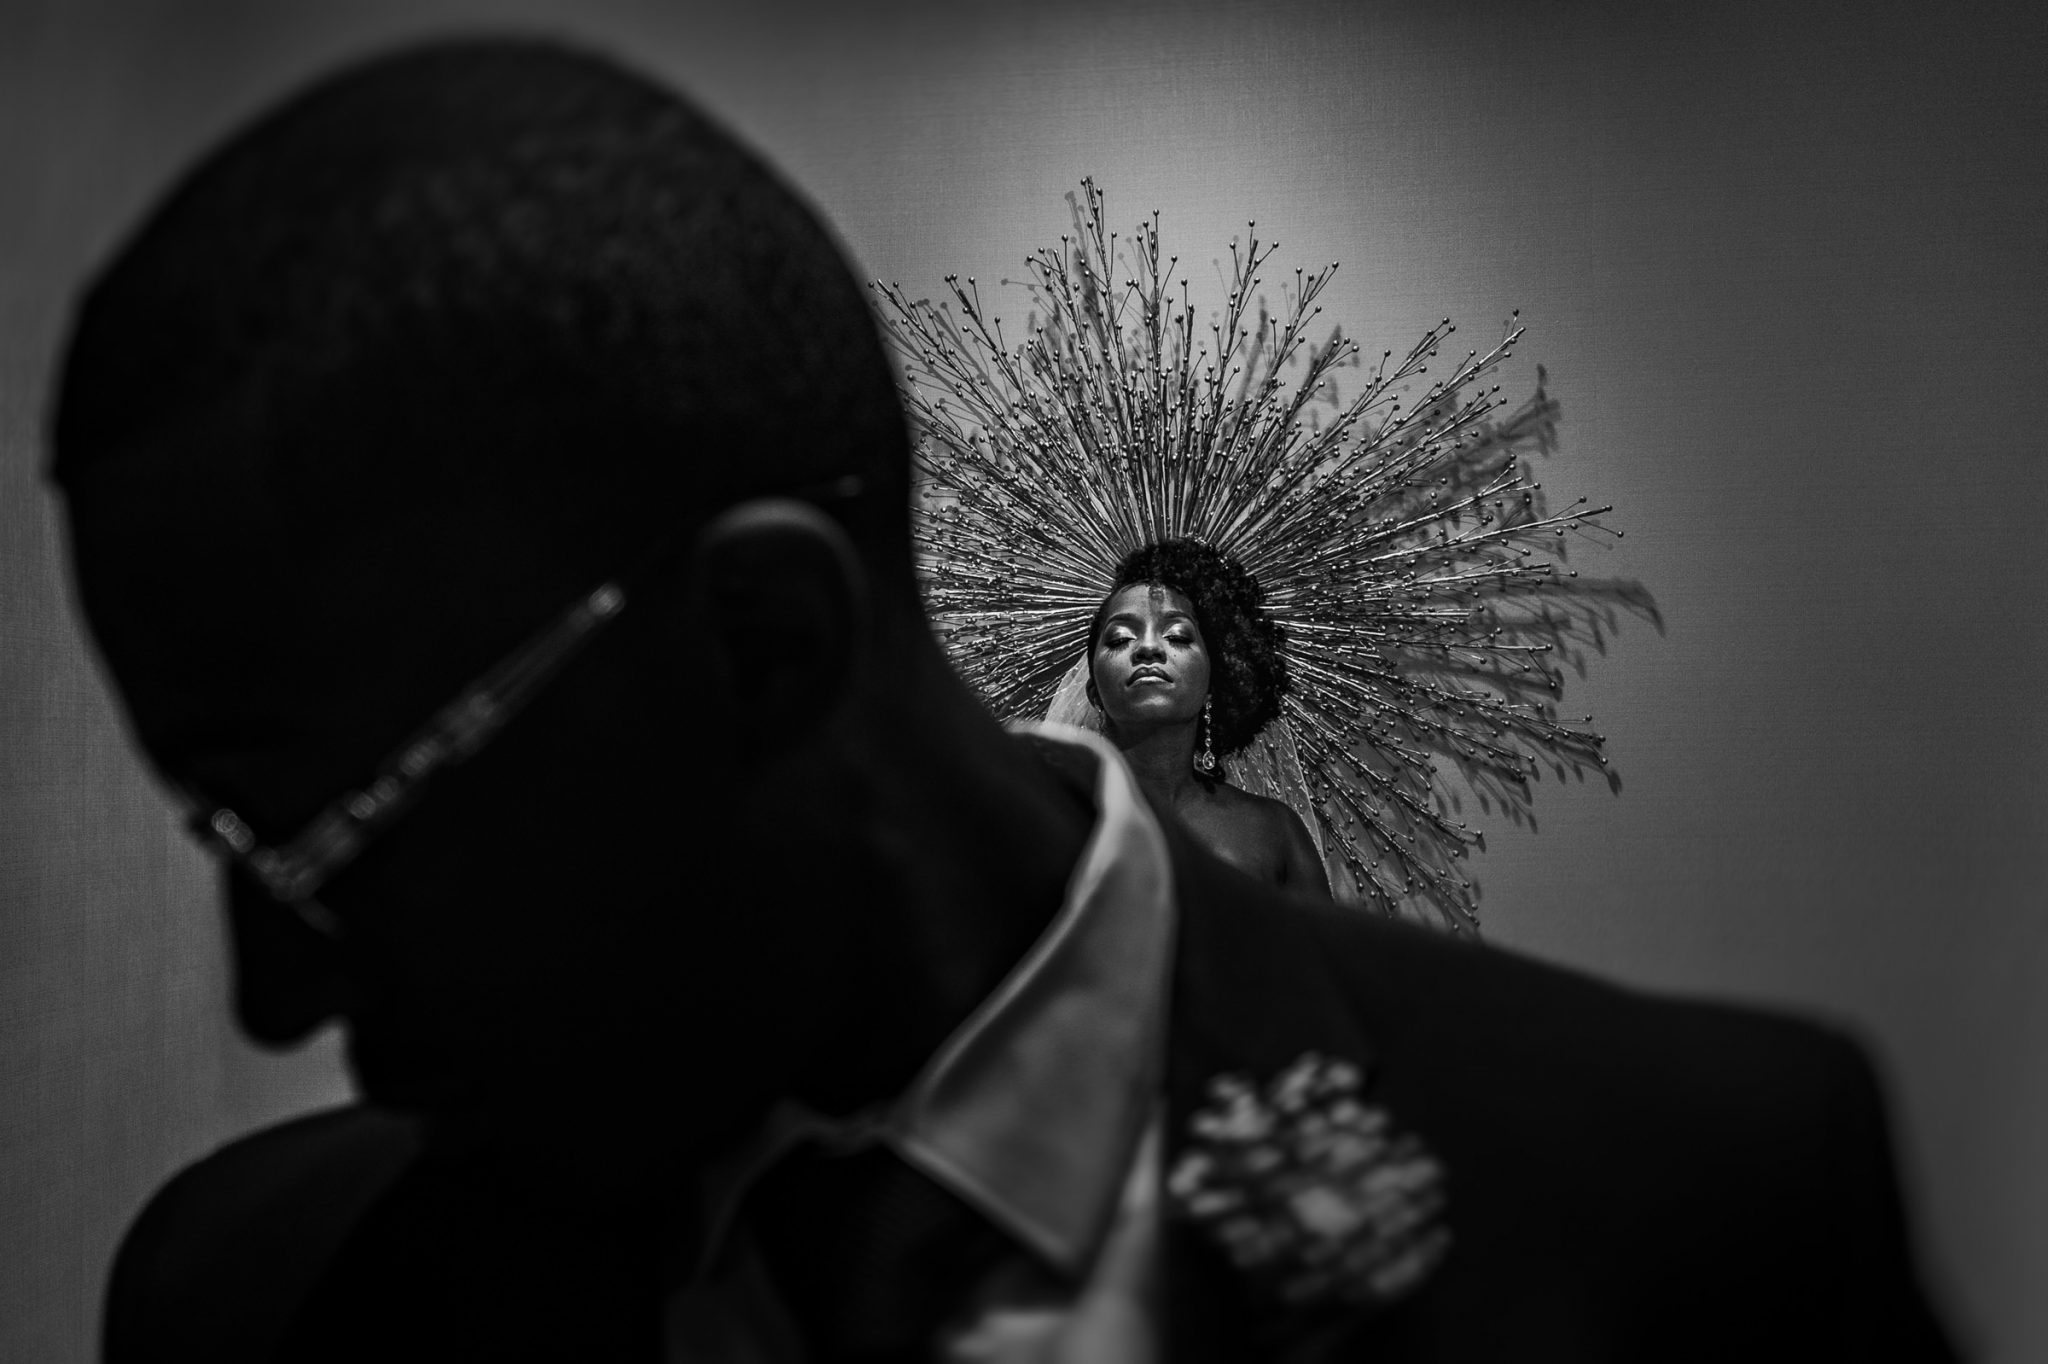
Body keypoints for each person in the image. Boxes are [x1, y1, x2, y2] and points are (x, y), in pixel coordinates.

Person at [52, 36, 1959, 1363]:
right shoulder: (256, 1302)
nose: (273, 988)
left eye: (341, 830)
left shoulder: (1684, 1202)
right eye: (226, 841)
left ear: (763, 647)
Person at [1082, 539, 1329, 897]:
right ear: (1094, 692)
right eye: (1120, 638)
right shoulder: (1051, 814)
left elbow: (1319, 951)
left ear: (1214, 681)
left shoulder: (1272, 831)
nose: (1148, 647)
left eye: (1177, 635)